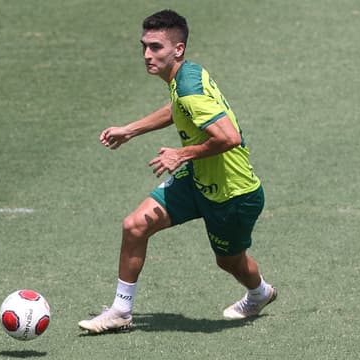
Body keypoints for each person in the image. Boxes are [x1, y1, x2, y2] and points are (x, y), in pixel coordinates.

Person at [78, 9, 276, 334]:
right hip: (197, 179)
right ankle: (120, 311)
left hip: (232, 193)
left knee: (229, 261)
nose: (146, 54)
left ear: (178, 49)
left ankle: (260, 292)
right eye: (144, 46)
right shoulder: (186, 76)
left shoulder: (189, 89)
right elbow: (176, 110)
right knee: (134, 226)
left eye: (156, 47)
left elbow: (229, 137)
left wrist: (182, 154)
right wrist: (131, 130)